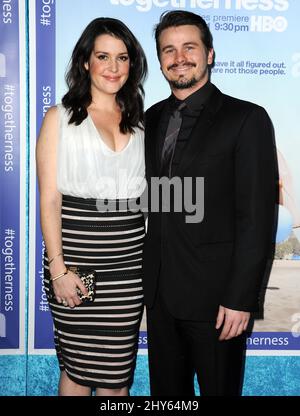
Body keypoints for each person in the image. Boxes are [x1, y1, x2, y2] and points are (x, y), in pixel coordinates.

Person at [143, 10, 278, 396]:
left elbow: (255, 217)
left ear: (210, 54)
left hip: (218, 302)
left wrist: (240, 298)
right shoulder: (150, 119)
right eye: (168, 49)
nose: (179, 57)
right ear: (160, 59)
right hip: (160, 297)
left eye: (189, 47)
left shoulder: (247, 118)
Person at [36, 17, 147, 396]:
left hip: (129, 271)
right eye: (103, 56)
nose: (114, 67)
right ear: (86, 62)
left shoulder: (141, 123)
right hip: (76, 266)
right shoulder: (60, 118)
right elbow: (50, 198)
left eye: (123, 57)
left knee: (118, 380)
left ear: (132, 64)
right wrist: (58, 270)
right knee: (78, 372)